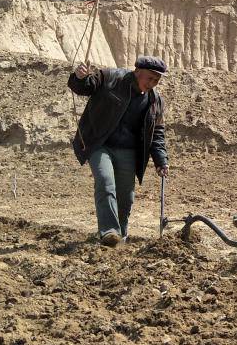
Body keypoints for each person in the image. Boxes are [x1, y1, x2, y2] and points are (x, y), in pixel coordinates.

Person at [68, 55, 169, 246]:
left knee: (126, 196)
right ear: (137, 71)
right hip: (99, 143)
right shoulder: (110, 77)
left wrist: (161, 160)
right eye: (150, 78)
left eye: (157, 80)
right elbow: (83, 87)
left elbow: (157, 134)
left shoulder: (155, 101)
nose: (153, 83)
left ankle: (120, 236)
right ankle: (109, 233)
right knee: (106, 183)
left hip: (129, 151)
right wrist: (79, 77)